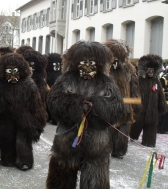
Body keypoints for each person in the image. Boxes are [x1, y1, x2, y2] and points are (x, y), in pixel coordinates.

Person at [46, 41, 124, 189]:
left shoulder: (107, 83)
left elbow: (116, 107)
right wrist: (75, 106)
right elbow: (53, 101)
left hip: (97, 147)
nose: (87, 66)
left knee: (95, 182)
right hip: (66, 144)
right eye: (83, 62)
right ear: (76, 63)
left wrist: (98, 107)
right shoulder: (66, 79)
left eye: (92, 63)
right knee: (62, 179)